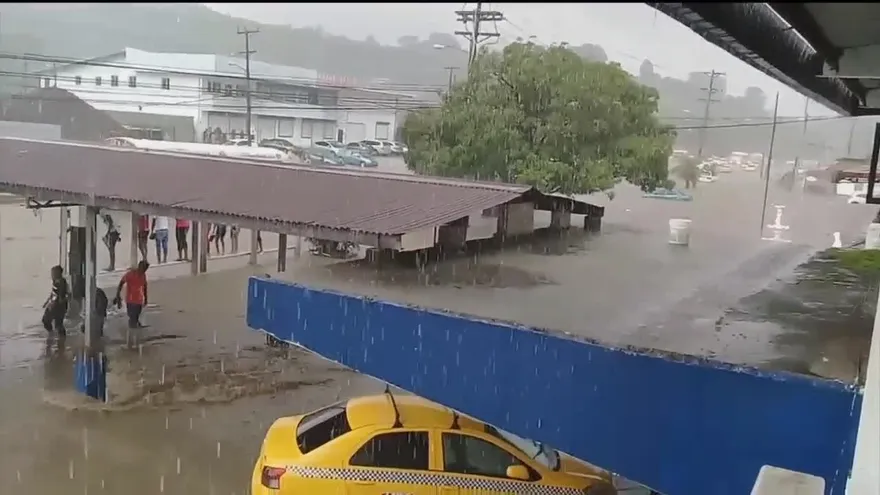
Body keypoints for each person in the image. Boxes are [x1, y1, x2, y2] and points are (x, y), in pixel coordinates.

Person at [114, 260, 149, 329]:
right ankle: (133, 330)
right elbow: (121, 283)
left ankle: (134, 329)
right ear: (139, 267)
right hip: (130, 300)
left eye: (145, 270)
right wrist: (118, 296)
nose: (143, 271)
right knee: (132, 317)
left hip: (139, 300)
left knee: (136, 316)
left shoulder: (143, 276)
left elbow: (144, 287)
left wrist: (145, 298)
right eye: (143, 269)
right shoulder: (130, 274)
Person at [42, 265, 69, 336]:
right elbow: (53, 293)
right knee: (47, 321)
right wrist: (47, 302)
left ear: (58, 273)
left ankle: (59, 337)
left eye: (53, 273)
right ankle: (53, 335)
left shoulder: (62, 282)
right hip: (54, 305)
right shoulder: (55, 281)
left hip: (58, 306)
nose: (52, 275)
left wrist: (61, 301)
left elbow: (63, 295)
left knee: (57, 324)